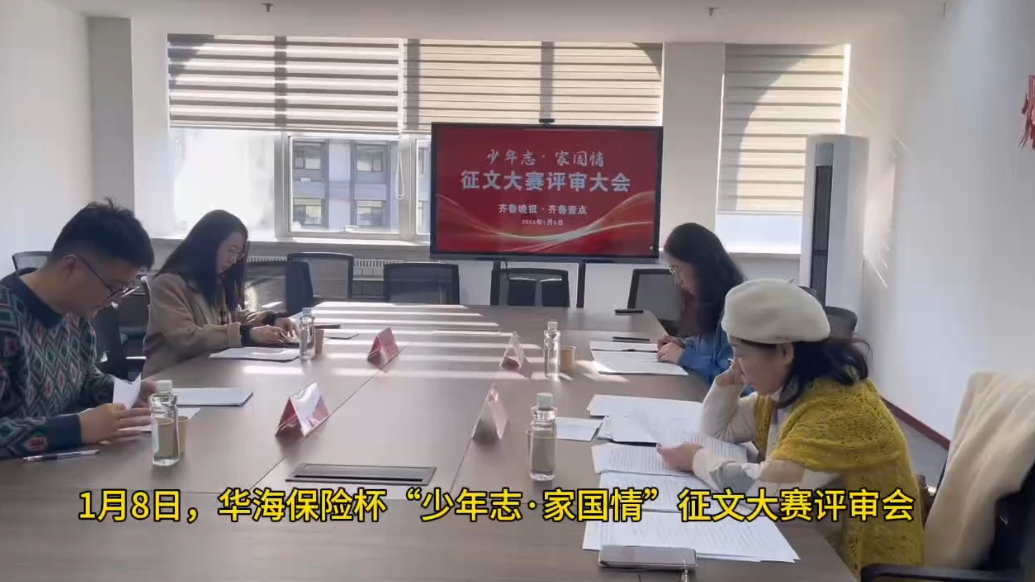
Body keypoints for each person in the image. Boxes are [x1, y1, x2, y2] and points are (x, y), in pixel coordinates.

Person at [657, 279, 923, 576]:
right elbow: (718, 429)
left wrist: (696, 459)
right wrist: (732, 377)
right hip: (818, 536)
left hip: (864, 567)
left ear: (785, 352)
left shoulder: (838, 410)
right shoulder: (790, 391)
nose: (736, 363)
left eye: (741, 352)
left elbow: (767, 490)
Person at [0, 201, 156, 460]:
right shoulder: (6, 320)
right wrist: (75, 429)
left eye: (124, 289)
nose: (115, 300)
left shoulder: (76, 313)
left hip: (58, 470)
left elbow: (83, 380)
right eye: (112, 287)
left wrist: (126, 393)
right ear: (70, 267)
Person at [143, 210, 297, 376]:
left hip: (210, 372)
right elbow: (186, 337)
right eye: (230, 251)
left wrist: (271, 319)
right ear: (208, 245)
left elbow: (234, 316)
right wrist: (247, 334)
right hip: (170, 379)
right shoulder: (168, 284)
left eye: (238, 254)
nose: (233, 260)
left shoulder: (216, 280)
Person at [655, 223, 744, 384]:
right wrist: (682, 345)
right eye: (673, 271)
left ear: (700, 265)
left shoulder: (736, 309)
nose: (677, 281)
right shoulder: (710, 301)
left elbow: (736, 381)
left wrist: (685, 357)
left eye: (677, 269)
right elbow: (707, 348)